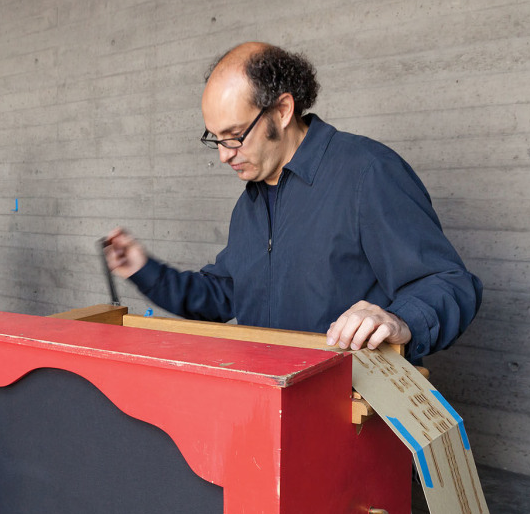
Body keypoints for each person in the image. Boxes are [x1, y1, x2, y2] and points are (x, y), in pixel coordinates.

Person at [104, 42, 483, 362]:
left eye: (235, 135)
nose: (223, 154)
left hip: (350, 409)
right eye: (215, 138)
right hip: (269, 406)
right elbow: (223, 296)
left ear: (283, 110)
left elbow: (448, 283)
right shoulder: (250, 205)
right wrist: (143, 269)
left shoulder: (367, 172)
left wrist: (399, 320)